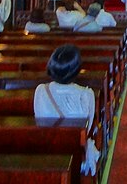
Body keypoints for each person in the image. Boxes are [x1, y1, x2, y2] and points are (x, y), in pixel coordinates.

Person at [34, 45, 99, 176]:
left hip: (46, 152)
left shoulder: (40, 90)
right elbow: (88, 127)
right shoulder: (86, 94)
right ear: (77, 70)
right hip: (76, 159)